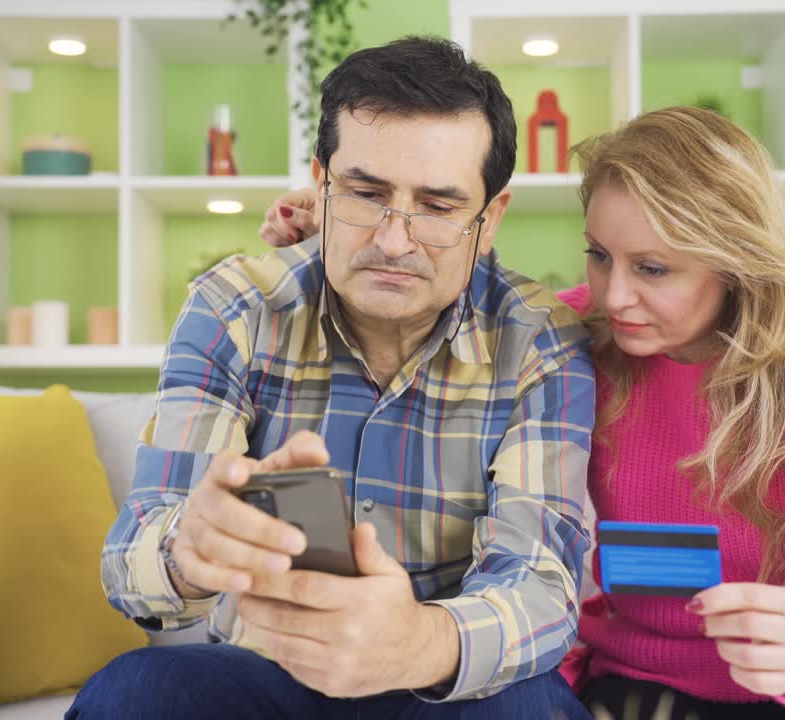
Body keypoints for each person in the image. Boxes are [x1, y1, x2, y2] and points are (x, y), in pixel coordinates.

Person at [258, 106, 785, 719]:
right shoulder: (580, 337)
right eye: (600, 255)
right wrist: (352, 239)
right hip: (649, 676)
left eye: (653, 268)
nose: (614, 293)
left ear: (737, 261)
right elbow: (464, 308)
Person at [66, 36, 596, 720]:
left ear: (488, 219)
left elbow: (540, 585)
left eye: (437, 207)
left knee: (531, 712)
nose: (394, 241)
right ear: (321, 183)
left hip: (446, 681)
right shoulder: (236, 309)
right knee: (133, 691)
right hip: (266, 674)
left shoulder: (540, 338)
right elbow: (131, 562)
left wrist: (414, 641)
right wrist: (187, 552)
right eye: (365, 193)